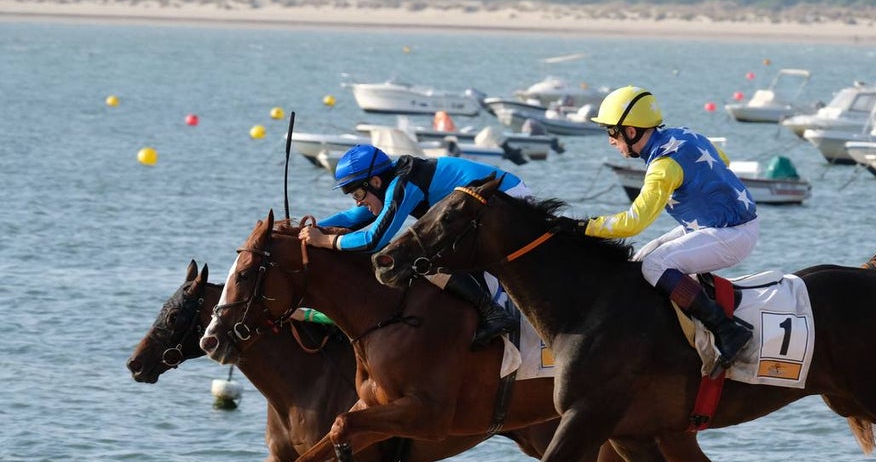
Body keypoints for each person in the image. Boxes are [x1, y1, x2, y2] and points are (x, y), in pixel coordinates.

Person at [570, 85, 760, 373]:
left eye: (612, 132)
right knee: (639, 260)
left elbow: (633, 223)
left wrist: (584, 227)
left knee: (654, 266)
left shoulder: (662, 167)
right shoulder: (685, 135)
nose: (610, 141)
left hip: (731, 236)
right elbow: (723, 160)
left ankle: (728, 330)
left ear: (631, 131)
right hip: (719, 226)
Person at [300, 144, 529, 347]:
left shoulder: (403, 186)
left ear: (376, 182)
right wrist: (306, 229)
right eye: (353, 196)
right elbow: (354, 218)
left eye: (358, 193)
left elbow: (373, 239)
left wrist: (327, 241)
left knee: (418, 256)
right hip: (489, 202)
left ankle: (493, 314)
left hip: (506, 198)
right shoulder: (392, 183)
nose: (358, 201)